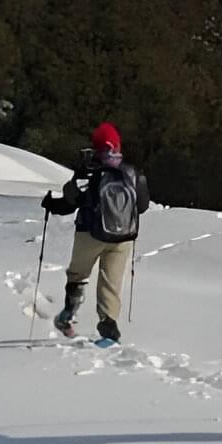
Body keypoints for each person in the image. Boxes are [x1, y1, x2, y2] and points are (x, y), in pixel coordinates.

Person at [42, 123, 150, 348]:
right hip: (123, 238)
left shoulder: (89, 174)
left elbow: (69, 203)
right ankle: (109, 330)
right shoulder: (132, 173)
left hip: (90, 234)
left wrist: (51, 203)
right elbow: (142, 206)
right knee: (111, 284)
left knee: (78, 274)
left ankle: (68, 315)